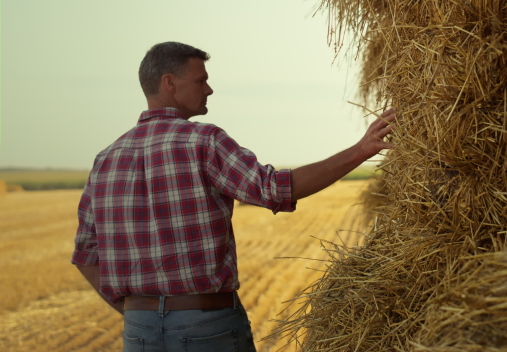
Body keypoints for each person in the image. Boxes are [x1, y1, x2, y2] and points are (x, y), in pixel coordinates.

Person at [71, 41, 395, 352]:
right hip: (205, 325)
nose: (209, 89)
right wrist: (361, 150)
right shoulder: (203, 141)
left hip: (137, 332)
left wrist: (140, 312)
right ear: (169, 83)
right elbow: (275, 188)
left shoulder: (106, 159)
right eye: (201, 80)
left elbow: (86, 255)